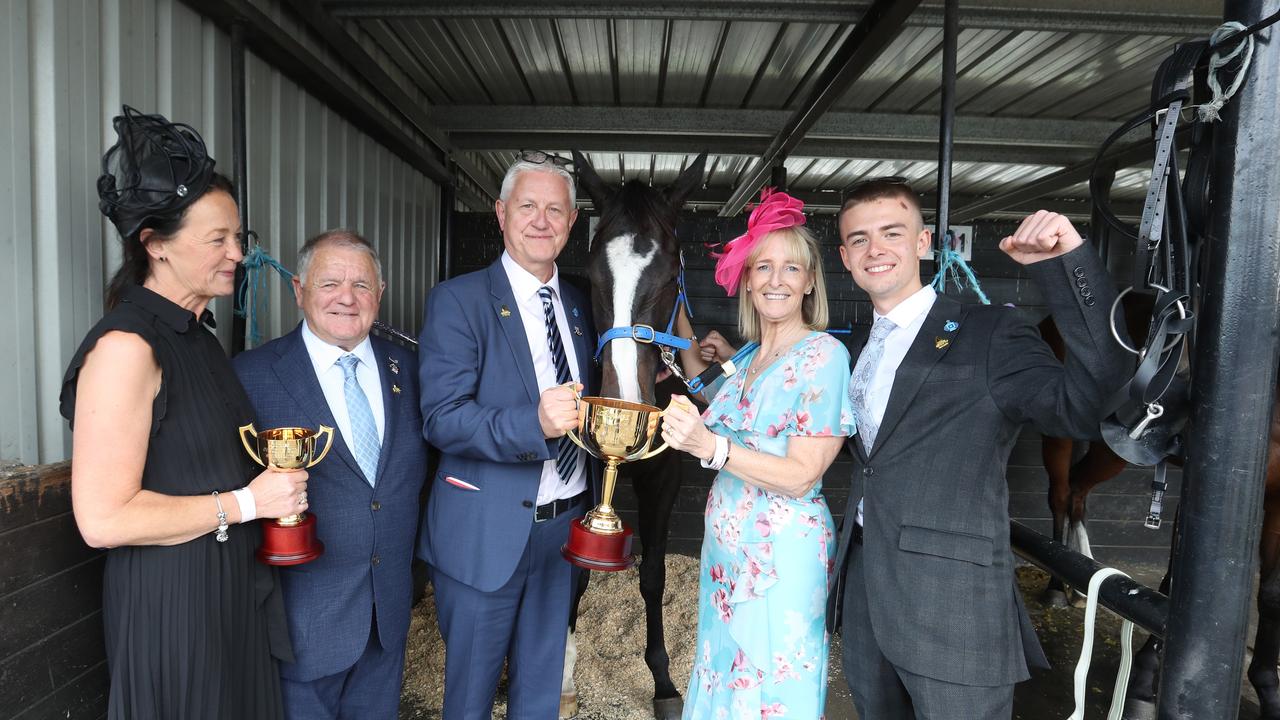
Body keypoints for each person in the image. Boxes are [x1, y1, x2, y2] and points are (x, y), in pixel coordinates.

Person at [828, 178, 1130, 718]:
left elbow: (1087, 404)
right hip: (867, 585)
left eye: (891, 233)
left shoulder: (989, 331)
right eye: (859, 239)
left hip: (952, 603)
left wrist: (1068, 268)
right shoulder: (853, 346)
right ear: (846, 257)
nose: (875, 249)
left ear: (922, 244)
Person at [59, 106, 305, 719]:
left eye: (238, 237)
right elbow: (103, 519)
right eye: (217, 239)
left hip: (227, 595)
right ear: (156, 245)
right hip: (173, 609)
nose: (238, 253)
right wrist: (250, 503)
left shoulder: (196, 335)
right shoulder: (125, 349)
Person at [416, 151, 598, 719]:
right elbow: (441, 417)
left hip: (564, 526)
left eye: (555, 210)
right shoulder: (458, 300)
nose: (541, 221)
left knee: (540, 695)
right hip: (484, 532)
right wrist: (532, 424)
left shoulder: (579, 303)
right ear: (500, 213)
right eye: (527, 207)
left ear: (571, 224)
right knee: (468, 697)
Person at [661, 189, 855, 719]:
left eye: (791, 268)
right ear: (747, 278)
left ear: (810, 280)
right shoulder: (748, 355)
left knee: (770, 689)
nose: (775, 280)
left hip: (779, 560)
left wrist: (710, 446)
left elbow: (801, 476)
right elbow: (717, 394)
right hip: (727, 559)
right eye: (763, 266)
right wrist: (677, 319)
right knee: (725, 678)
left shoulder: (823, 355)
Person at [233, 229, 428, 719]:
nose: (347, 297)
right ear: (298, 290)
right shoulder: (250, 375)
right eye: (329, 283)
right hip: (300, 628)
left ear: (380, 295)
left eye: (362, 285)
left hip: (386, 620)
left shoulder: (413, 369)